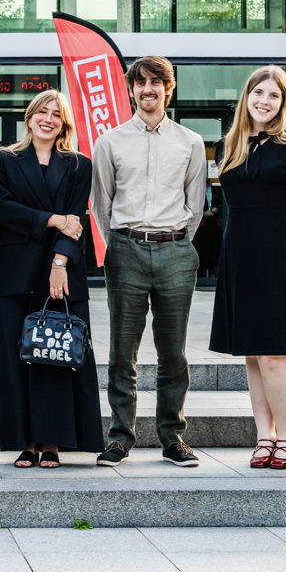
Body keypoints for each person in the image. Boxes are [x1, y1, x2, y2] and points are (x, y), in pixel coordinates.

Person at [208, 65, 286, 471]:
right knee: (252, 352)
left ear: (284, 102)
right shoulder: (229, 145)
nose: (264, 101)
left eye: (274, 95)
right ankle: (264, 436)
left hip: (285, 259)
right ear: (246, 96)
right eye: (258, 92)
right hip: (241, 257)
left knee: (273, 353)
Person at [93, 56, 207, 468]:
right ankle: (120, 437)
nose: (148, 89)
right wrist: (123, 243)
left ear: (168, 89)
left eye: (156, 82)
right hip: (126, 250)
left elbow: (196, 205)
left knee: (173, 354)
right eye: (140, 83)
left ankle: (172, 437)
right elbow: (102, 204)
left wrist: (175, 242)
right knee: (122, 353)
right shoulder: (110, 142)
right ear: (130, 90)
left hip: (176, 250)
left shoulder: (191, 142)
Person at [0, 90, 102, 468]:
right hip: (17, 271)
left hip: (61, 270)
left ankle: (52, 442)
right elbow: (6, 208)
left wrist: (59, 262)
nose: (48, 119)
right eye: (42, 111)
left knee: (56, 355)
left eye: (56, 114)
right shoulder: (4, 159)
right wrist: (53, 220)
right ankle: (25, 442)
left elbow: (77, 219)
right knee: (17, 357)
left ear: (64, 124)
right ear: (30, 117)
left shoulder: (79, 164)